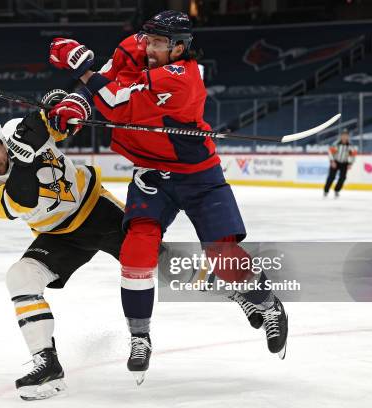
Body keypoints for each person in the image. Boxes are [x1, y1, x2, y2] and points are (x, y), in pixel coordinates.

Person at [47, 9, 289, 374]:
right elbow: (101, 85)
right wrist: (73, 103)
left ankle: (267, 303)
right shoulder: (134, 48)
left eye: (159, 43)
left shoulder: (181, 79)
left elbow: (115, 104)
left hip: (197, 176)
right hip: (151, 175)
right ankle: (140, 337)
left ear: (179, 48)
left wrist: (81, 70)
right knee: (136, 250)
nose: (149, 47)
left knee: (222, 256)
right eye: (149, 39)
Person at [0, 90, 190, 399]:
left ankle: (244, 290)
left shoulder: (20, 129)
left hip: (96, 209)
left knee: (163, 263)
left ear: (2, 140)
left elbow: (70, 117)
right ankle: (47, 364)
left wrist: (61, 104)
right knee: (20, 276)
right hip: (59, 235)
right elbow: (23, 197)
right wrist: (25, 152)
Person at [324, 129, 357, 198]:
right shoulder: (336, 144)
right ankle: (326, 191)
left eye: (346, 135)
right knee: (331, 177)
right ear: (341, 136)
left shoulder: (350, 145)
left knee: (343, 178)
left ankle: (336, 190)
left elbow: (353, 155)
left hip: (344, 163)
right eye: (343, 135)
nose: (344, 137)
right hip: (335, 162)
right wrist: (332, 161)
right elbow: (330, 153)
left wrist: (350, 163)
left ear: (348, 136)